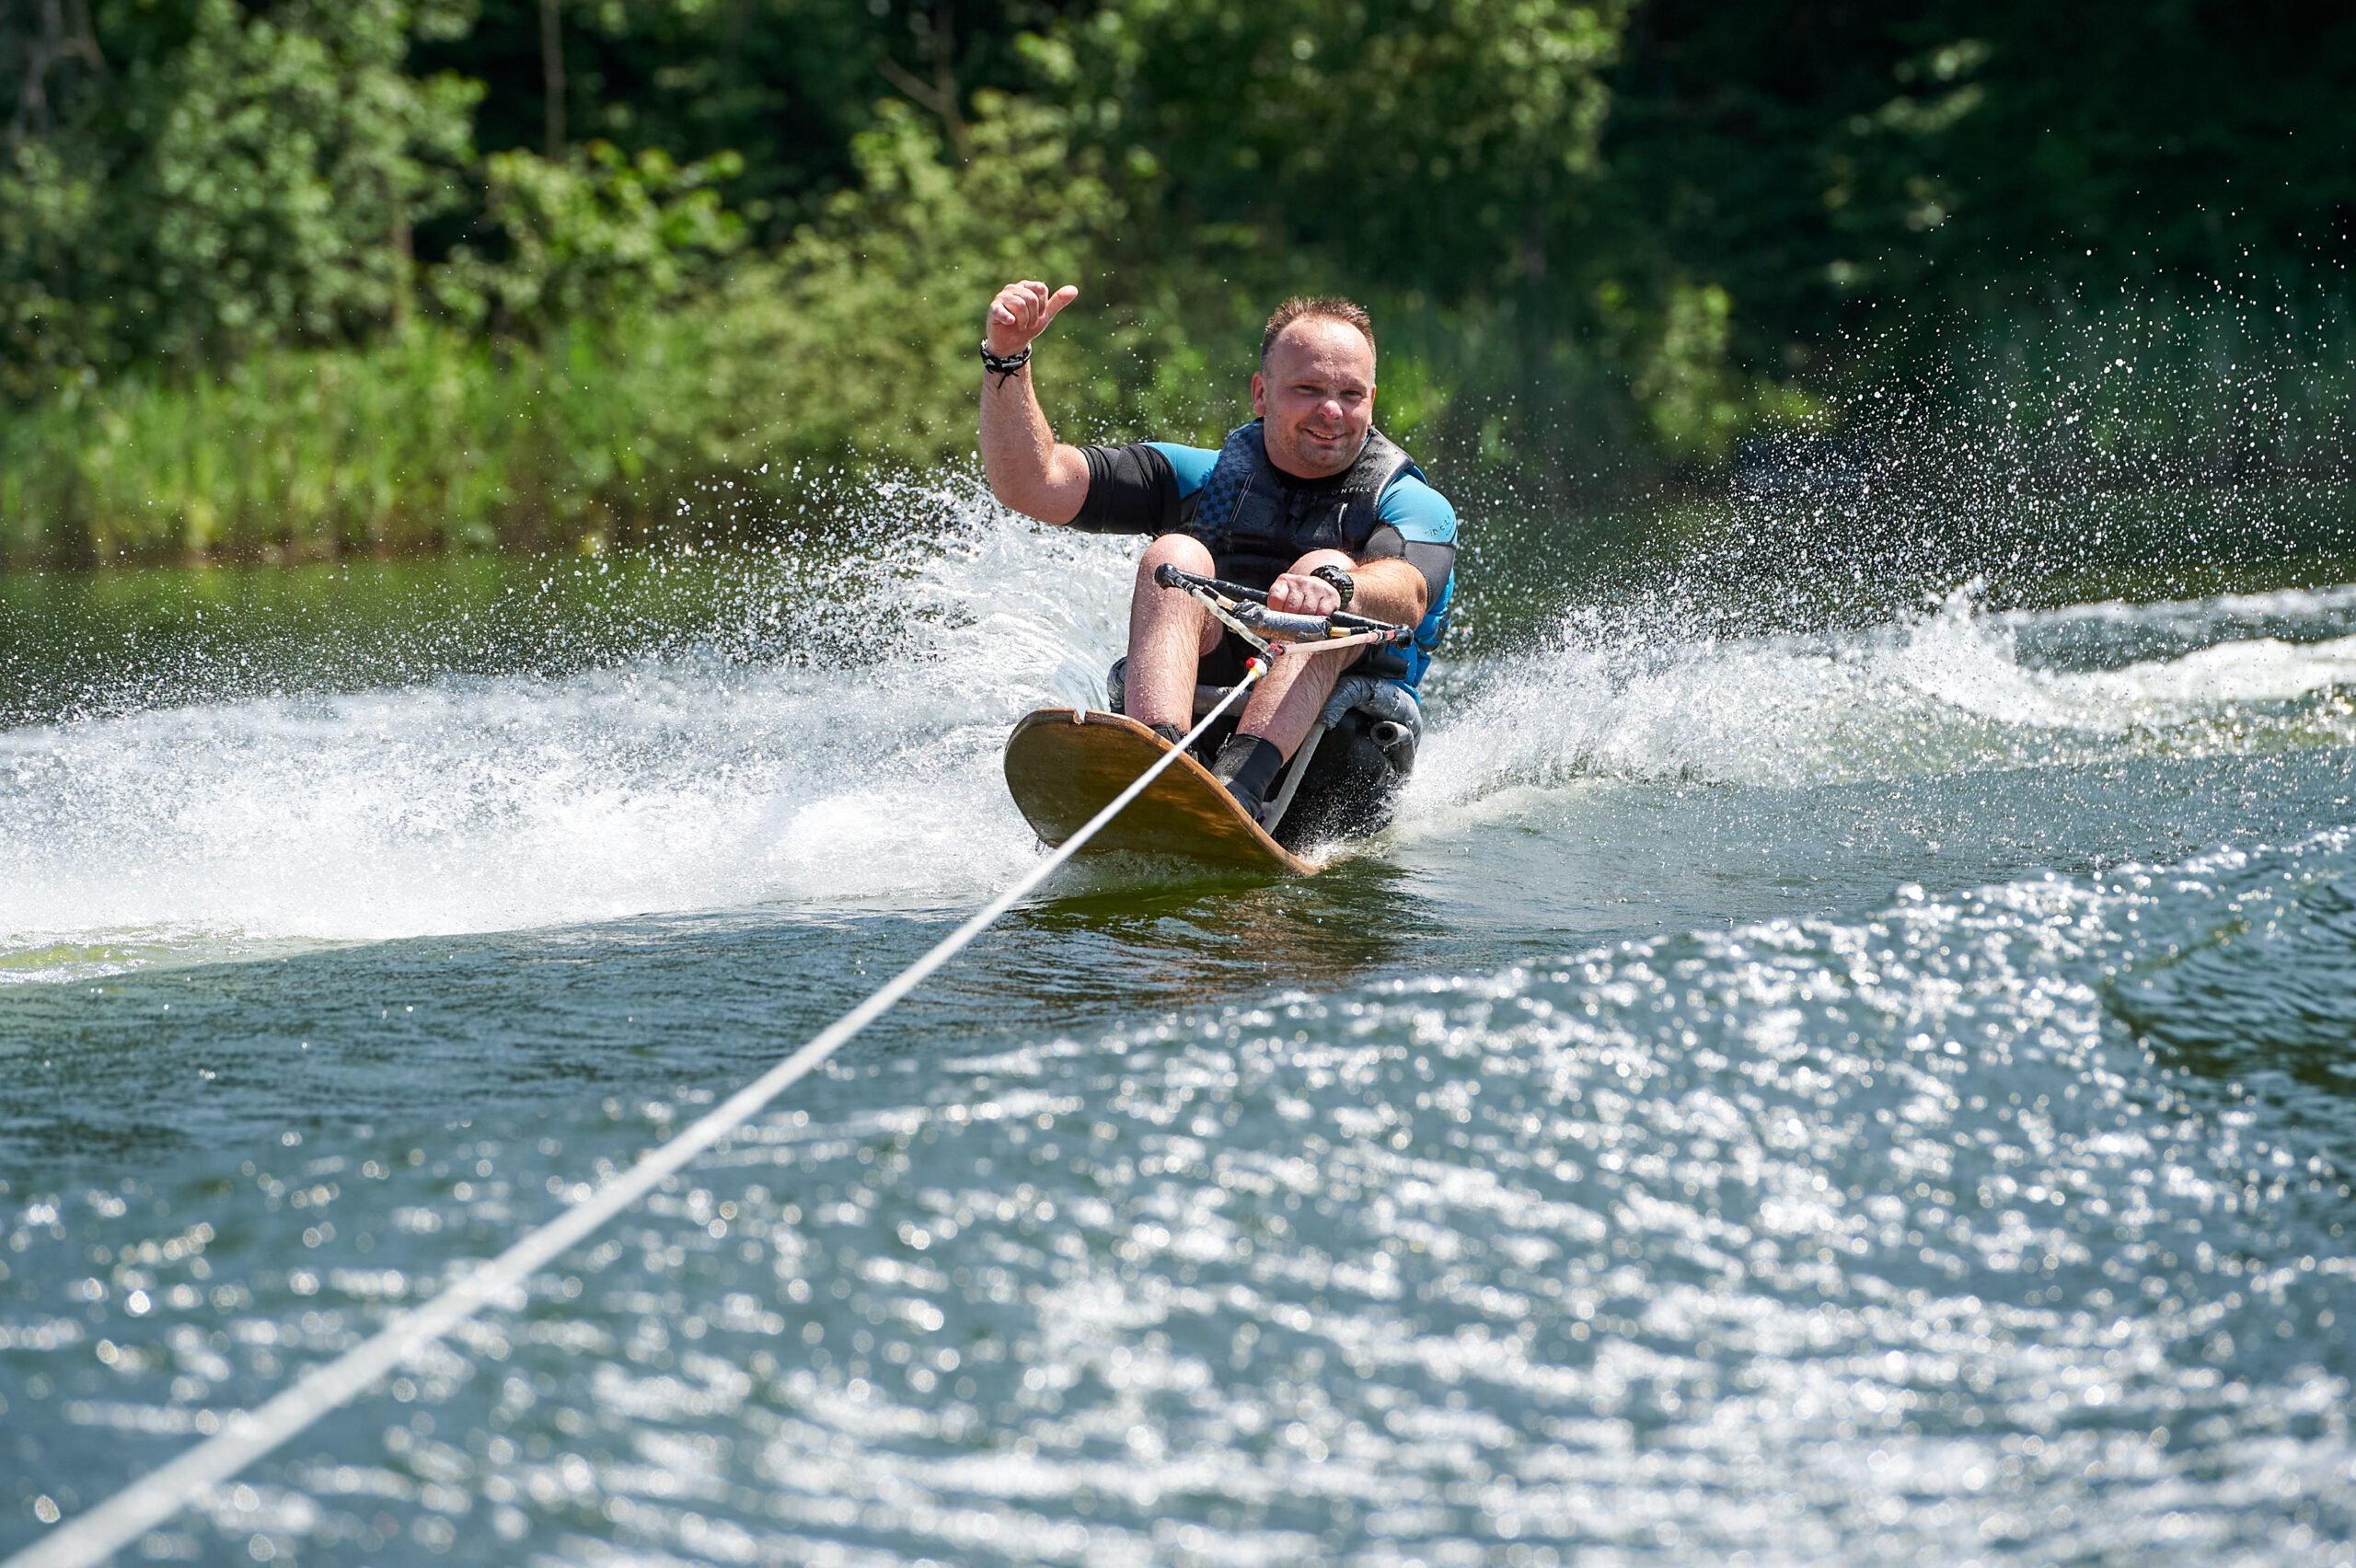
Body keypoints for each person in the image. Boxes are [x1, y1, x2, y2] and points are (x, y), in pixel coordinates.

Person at [976, 281, 1460, 824]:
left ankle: (1240, 788)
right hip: (1207, 719)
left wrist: (1337, 587)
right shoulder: (1203, 478)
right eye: (1307, 389)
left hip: (1345, 748)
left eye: (1351, 394)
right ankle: (1159, 763)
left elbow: (1410, 590)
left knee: (1324, 568)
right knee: (1175, 553)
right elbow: (1034, 484)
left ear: (1370, 400)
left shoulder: (1410, 501)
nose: (1331, 410)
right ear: (1260, 393)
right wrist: (1007, 358)